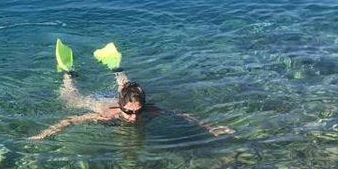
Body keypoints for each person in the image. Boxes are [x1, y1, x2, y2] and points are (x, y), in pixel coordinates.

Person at [31, 39, 233, 140]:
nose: (134, 117)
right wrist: (45, 134)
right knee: (71, 99)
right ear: (122, 107)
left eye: (138, 111)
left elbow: (185, 115)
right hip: (97, 102)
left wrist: (210, 127)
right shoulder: (107, 115)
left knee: (130, 88)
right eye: (129, 112)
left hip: (121, 96)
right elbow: (70, 120)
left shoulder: (146, 109)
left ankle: (116, 67)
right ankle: (69, 73)